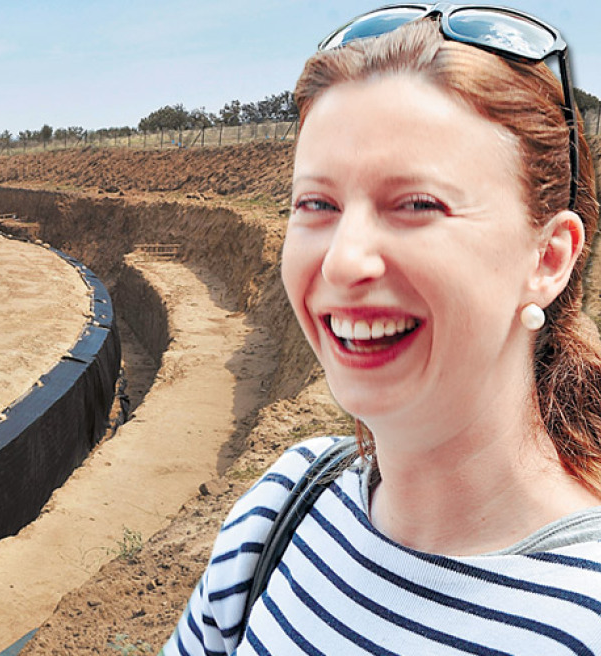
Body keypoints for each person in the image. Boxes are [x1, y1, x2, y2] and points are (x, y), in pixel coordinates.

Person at [165, 4, 601, 655]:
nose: (343, 259)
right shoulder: (282, 509)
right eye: (317, 204)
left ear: (548, 259)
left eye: (416, 204)